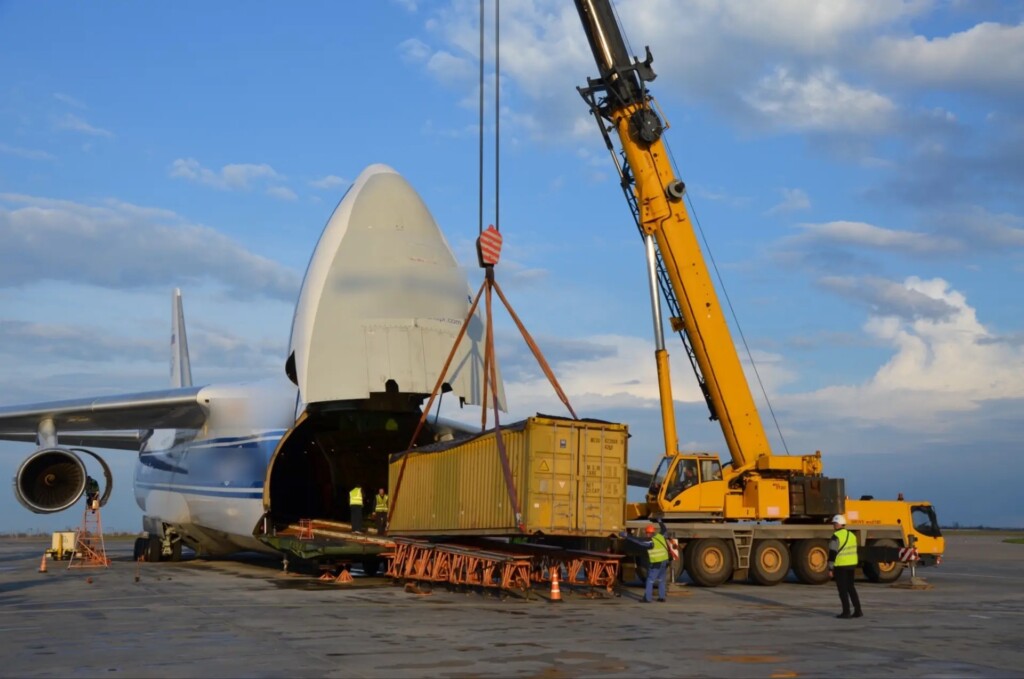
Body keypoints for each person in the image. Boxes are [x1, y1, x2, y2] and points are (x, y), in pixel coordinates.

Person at [621, 519, 671, 603]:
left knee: (650, 580)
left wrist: (627, 536)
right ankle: (662, 597)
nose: (646, 534)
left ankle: (647, 598)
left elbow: (639, 541)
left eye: (646, 533)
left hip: (656, 563)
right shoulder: (660, 536)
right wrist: (660, 521)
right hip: (665, 562)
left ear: (649, 533)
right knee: (661, 579)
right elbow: (664, 529)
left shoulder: (650, 542)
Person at [828, 514, 863, 619]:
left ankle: (846, 612)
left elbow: (832, 553)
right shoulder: (852, 535)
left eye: (834, 523)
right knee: (851, 588)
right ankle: (858, 610)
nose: (833, 526)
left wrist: (830, 568)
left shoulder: (836, 536)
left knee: (842, 590)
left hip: (841, 565)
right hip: (851, 564)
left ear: (838, 524)